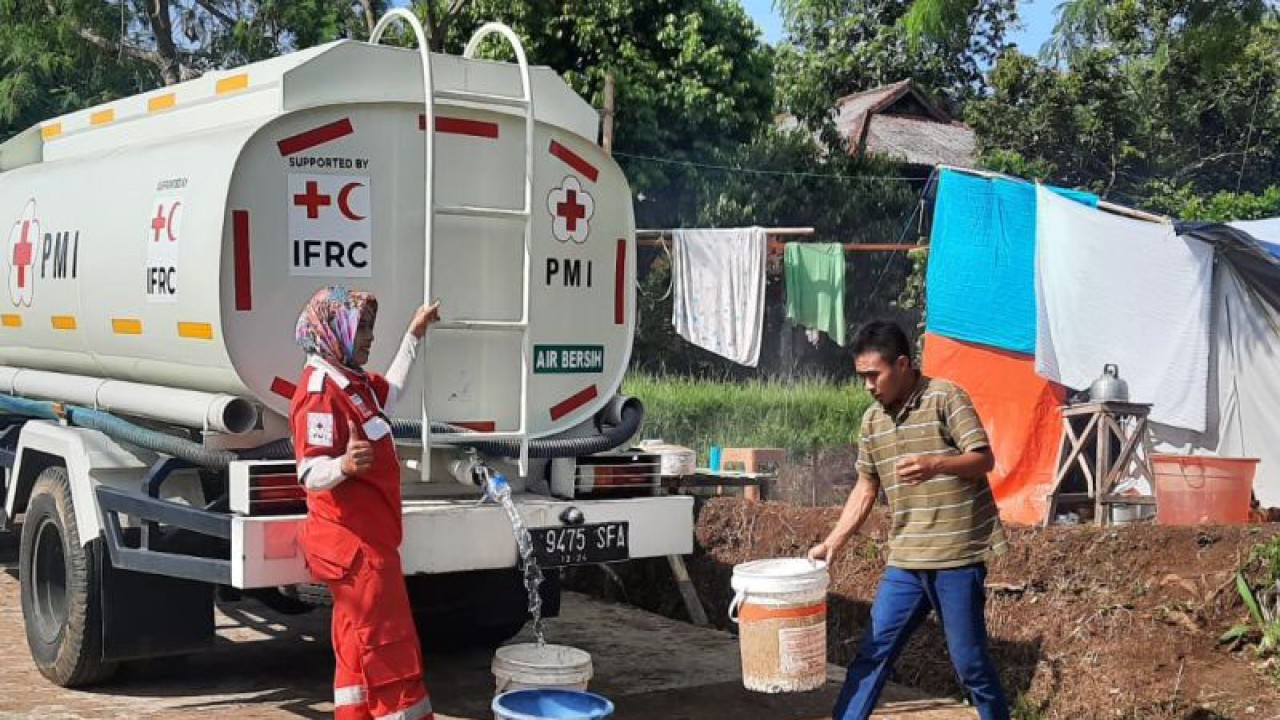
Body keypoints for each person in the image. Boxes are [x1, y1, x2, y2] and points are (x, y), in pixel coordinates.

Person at [809, 320, 1009, 720]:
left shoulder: (945, 397)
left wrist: (937, 463)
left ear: (902, 364)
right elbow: (865, 488)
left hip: (955, 556)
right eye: (861, 376)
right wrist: (833, 542)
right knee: (873, 653)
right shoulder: (872, 421)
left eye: (873, 375)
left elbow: (984, 459)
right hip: (905, 559)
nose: (868, 385)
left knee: (970, 665)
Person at [289, 286, 439, 720]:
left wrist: (413, 335)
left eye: (371, 328)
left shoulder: (351, 380)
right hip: (355, 549)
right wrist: (345, 465)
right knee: (391, 652)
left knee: (356, 646)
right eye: (363, 329)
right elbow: (309, 471)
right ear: (335, 331)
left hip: (369, 542)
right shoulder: (320, 390)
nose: (370, 337)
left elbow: (390, 392)